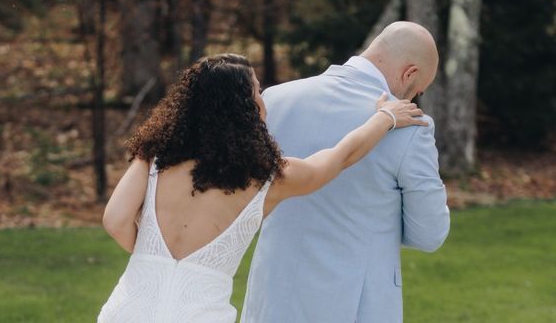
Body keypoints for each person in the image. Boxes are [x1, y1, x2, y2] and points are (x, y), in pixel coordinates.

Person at [97, 53, 426, 323]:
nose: (262, 98)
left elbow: (115, 221)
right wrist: (385, 118)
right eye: (256, 91)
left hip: (127, 311)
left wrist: (155, 259)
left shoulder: (155, 155)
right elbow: (337, 159)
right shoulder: (267, 177)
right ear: (244, 108)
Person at [242, 21, 451, 323]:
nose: (413, 98)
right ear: (410, 73)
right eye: (418, 90)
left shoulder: (275, 100)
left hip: (272, 298)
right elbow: (428, 234)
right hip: (357, 306)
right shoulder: (412, 128)